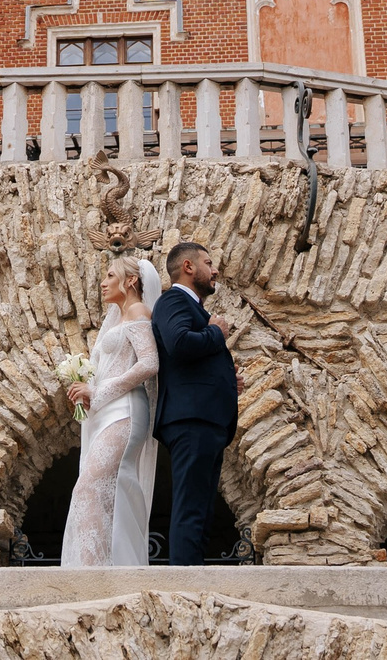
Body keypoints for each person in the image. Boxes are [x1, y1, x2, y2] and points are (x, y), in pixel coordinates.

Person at [58, 255, 164, 568]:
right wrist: (86, 390)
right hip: (109, 411)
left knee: (89, 485)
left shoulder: (137, 311)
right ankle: (103, 564)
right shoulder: (118, 318)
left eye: (110, 275)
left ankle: (96, 569)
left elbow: (149, 363)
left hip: (126, 411)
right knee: (96, 489)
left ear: (131, 281)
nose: (103, 283)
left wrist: (99, 392)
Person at [150, 239, 239, 566]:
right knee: (191, 506)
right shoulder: (173, 300)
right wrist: (217, 333)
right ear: (188, 267)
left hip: (205, 419)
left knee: (202, 507)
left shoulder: (192, 307)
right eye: (208, 263)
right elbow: (180, 343)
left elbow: (192, 361)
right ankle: (184, 581)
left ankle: (195, 575)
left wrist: (228, 380)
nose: (215, 270)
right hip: (191, 420)